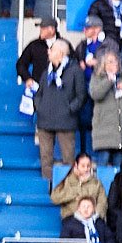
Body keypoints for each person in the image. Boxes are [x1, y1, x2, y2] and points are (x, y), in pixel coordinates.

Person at [32, 38, 84, 181]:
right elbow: (39, 94)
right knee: (45, 158)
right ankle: (48, 186)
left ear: (60, 53)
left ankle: (69, 188)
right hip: (45, 121)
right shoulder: (46, 72)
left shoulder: (75, 71)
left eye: (52, 49)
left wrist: (69, 109)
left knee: (68, 158)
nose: (48, 52)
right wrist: (39, 107)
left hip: (66, 122)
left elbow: (81, 96)